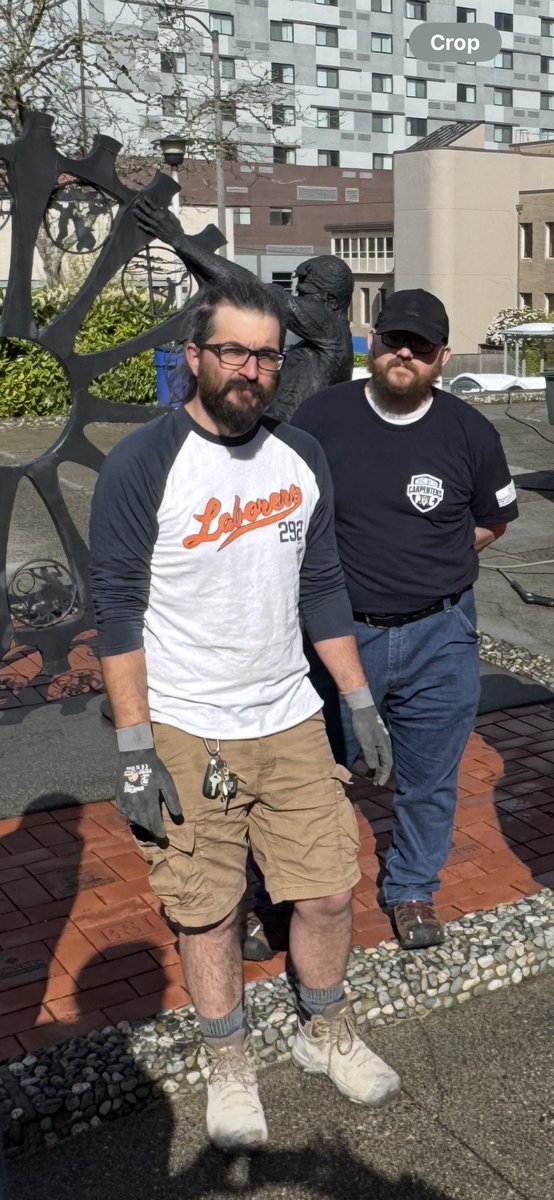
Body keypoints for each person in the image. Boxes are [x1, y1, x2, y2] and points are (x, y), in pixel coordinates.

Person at [89, 276, 399, 1153]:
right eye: (233, 351)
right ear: (195, 356)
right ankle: (229, 1063)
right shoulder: (143, 463)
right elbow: (117, 611)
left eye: (266, 354)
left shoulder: (299, 457)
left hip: (290, 716)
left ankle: (324, 1030)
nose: (250, 370)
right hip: (189, 727)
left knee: (328, 890)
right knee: (209, 910)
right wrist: (136, 749)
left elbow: (322, 585)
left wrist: (358, 699)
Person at [291, 288, 519, 951]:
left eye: (420, 347)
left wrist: (435, 558)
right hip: (339, 635)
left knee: (430, 778)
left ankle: (412, 887)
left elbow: (494, 519)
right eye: (394, 341)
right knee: (313, 775)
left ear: (442, 357)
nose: (404, 355)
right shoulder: (322, 418)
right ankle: (297, 889)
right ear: (372, 341)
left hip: (440, 635)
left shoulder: (469, 430)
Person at [134, 197, 354, 422]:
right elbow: (229, 283)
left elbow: (255, 290)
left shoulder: (332, 330)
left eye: (306, 296)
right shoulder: (321, 341)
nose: (299, 301)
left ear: (332, 301)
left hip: (297, 437)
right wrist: (185, 249)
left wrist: (178, 240)